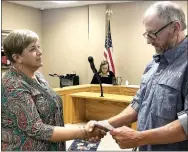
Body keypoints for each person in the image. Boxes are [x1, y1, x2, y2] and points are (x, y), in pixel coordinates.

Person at [86, 1, 188, 151]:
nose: (148, 41)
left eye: (153, 34)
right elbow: (138, 105)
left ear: (175, 28)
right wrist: (105, 124)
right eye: (147, 34)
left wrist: (138, 137)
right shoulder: (153, 65)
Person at [1, 30, 106, 151]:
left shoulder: (38, 76)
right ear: (17, 57)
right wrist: (83, 132)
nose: (40, 52)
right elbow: (37, 129)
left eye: (38, 47)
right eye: (32, 49)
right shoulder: (13, 86)